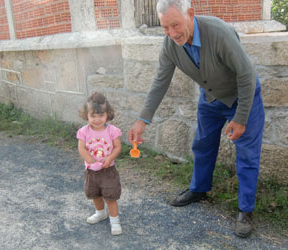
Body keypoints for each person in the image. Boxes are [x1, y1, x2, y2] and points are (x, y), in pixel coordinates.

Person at [128, 0, 265, 238]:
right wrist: (143, 120)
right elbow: (160, 81)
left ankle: (245, 211)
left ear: (190, 14)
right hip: (211, 99)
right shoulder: (170, 45)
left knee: (247, 156)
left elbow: (246, 75)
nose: (171, 33)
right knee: (202, 145)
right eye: (165, 28)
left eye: (175, 25)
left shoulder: (219, 33)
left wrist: (241, 118)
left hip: (243, 99)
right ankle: (199, 189)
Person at [77, 92, 123, 235]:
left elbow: (117, 147)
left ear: (107, 114)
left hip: (107, 170)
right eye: (93, 116)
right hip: (91, 170)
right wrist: (88, 159)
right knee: (94, 194)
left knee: (110, 196)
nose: (97, 120)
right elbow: (81, 147)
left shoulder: (112, 131)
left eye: (101, 115)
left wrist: (109, 158)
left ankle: (115, 221)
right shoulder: (84, 131)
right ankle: (100, 213)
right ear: (87, 116)